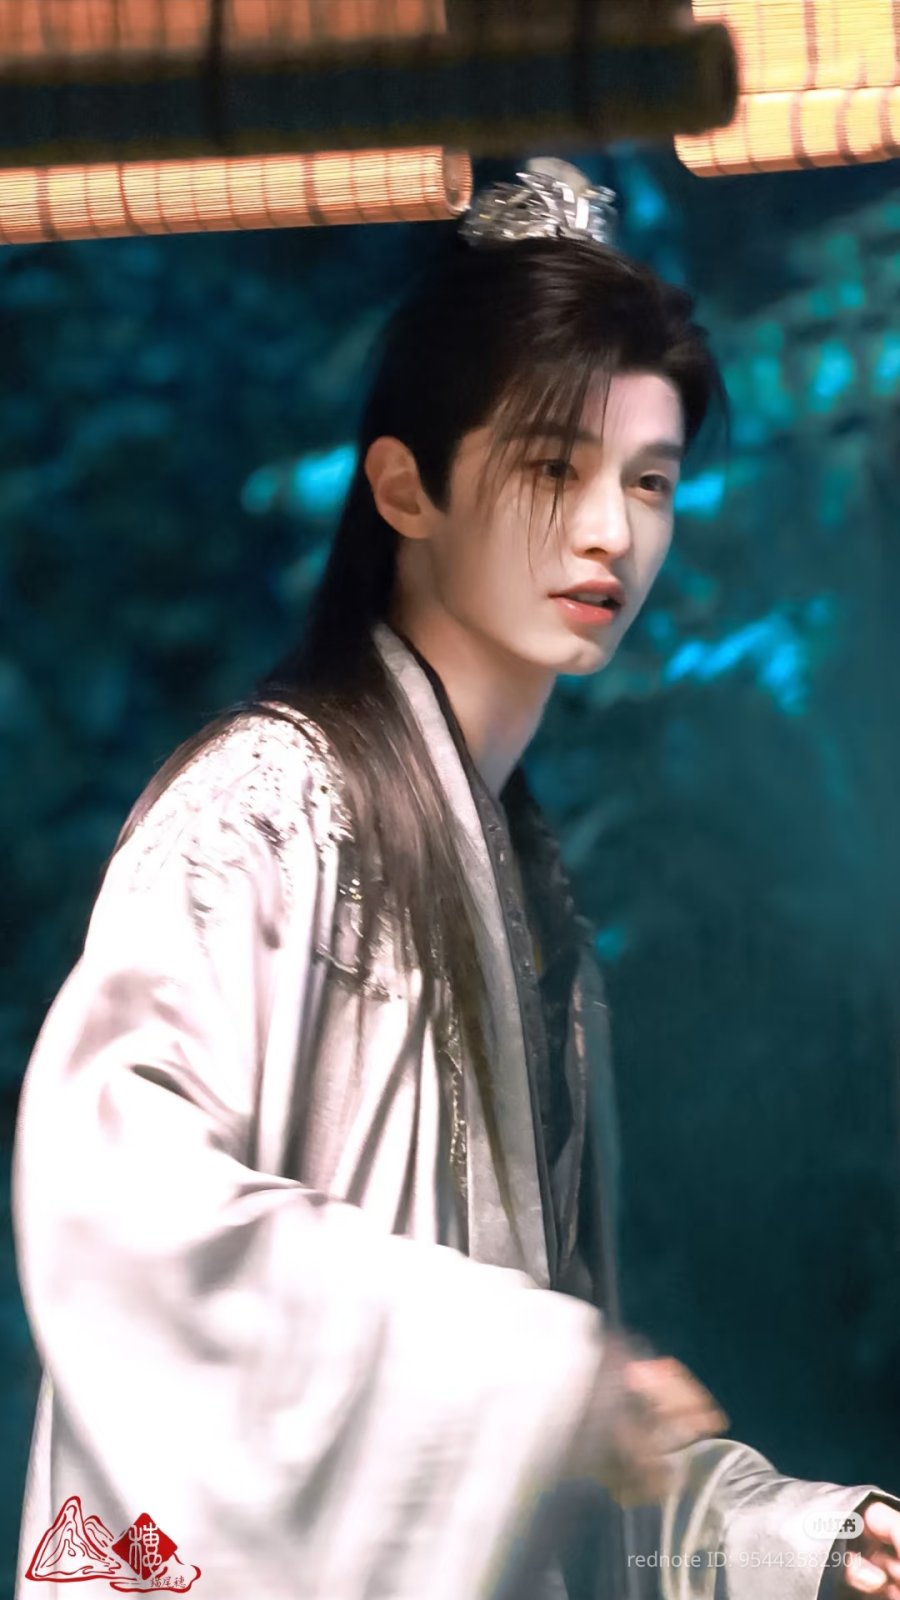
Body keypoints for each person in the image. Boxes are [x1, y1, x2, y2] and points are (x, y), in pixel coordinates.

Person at [12, 159, 900, 1600]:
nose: (611, 531)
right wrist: (540, 1381)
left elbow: (550, 1460)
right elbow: (115, 1211)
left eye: (650, 480)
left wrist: (809, 1544)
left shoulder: (532, 902)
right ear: (404, 486)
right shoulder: (263, 808)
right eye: (553, 468)